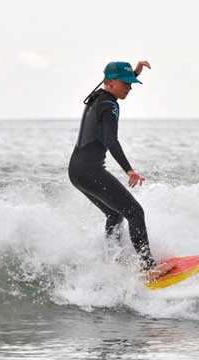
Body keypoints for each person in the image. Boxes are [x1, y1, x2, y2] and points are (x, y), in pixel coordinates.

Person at [68, 60, 157, 272]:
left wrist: (132, 72)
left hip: (76, 171)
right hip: (90, 171)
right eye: (126, 83)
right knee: (135, 213)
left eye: (131, 82)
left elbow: (113, 80)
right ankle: (149, 267)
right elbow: (111, 140)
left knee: (115, 214)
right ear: (109, 83)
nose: (130, 87)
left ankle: (112, 263)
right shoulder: (110, 105)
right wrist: (129, 170)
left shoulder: (97, 97)